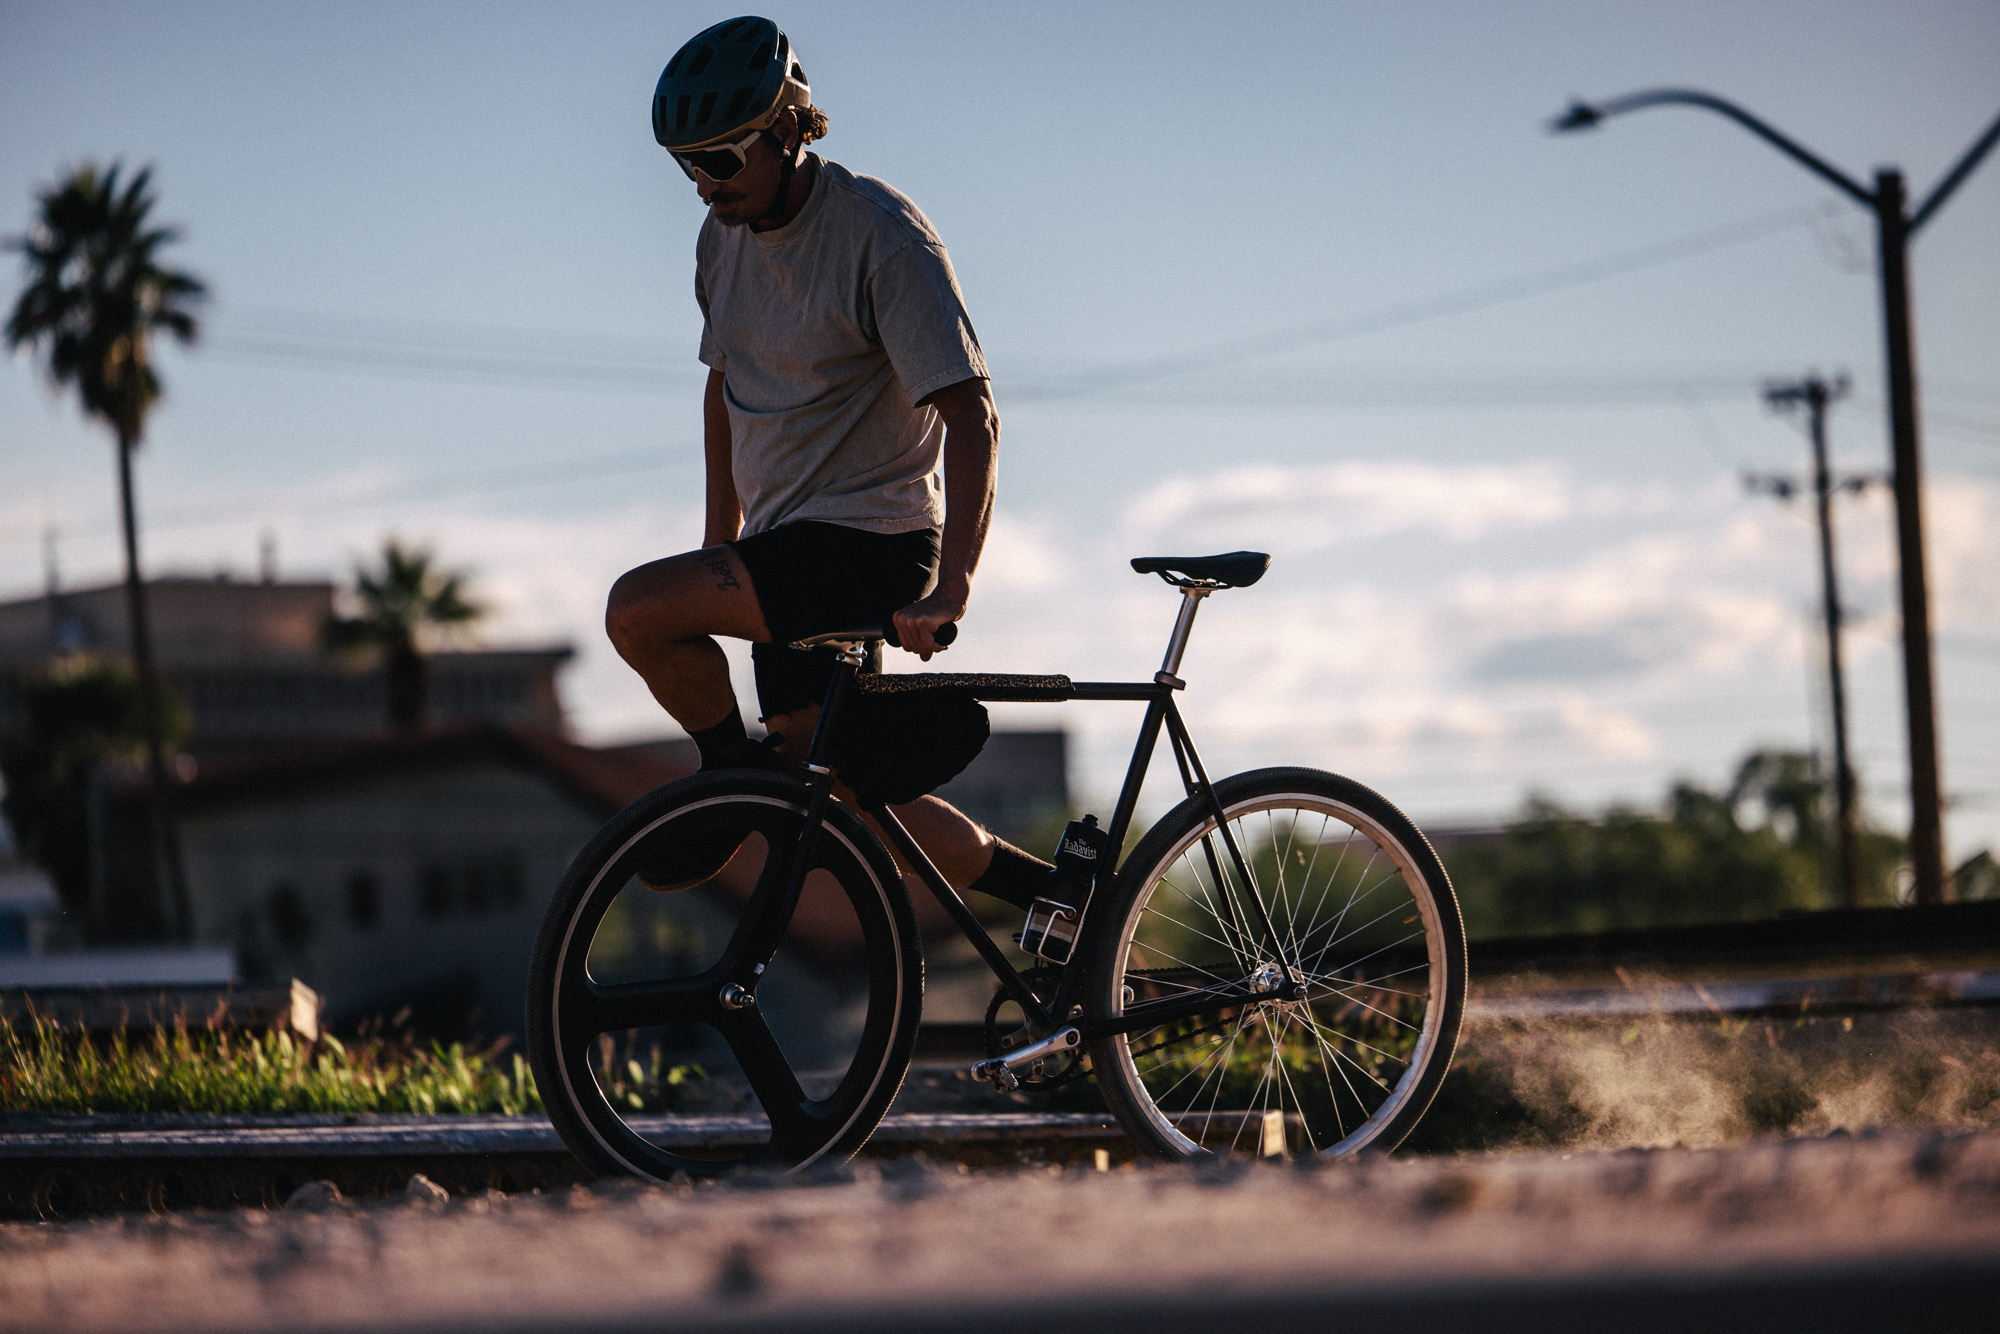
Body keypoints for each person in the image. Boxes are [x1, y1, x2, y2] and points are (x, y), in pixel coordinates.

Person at [605, 16, 1052, 909]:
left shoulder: (882, 237)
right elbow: (722, 391)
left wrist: (954, 586)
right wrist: (715, 544)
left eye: (721, 160)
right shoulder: (719, 242)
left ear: (787, 127)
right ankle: (1062, 895)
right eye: (685, 165)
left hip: (870, 542)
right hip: (783, 547)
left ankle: (729, 775)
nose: (702, 186)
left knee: (638, 611)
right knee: (849, 798)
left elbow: (972, 413)